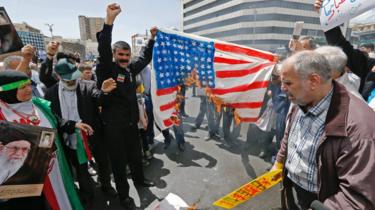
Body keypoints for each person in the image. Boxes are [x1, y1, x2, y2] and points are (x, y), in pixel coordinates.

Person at [271, 51, 375, 210]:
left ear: (313, 81)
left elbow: (357, 196)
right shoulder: (300, 99)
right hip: (294, 188)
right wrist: (279, 162)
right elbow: (288, 136)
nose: (282, 88)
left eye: (288, 83)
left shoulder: (359, 129)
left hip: (323, 201)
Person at [95, 3, 157, 209]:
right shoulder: (106, 68)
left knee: (136, 157)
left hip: (131, 125)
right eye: (120, 55)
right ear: (114, 55)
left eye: (126, 55)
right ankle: (123, 196)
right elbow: (103, 48)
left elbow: (145, 58)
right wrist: (109, 21)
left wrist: (152, 39)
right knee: (119, 165)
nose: (124, 59)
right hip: (113, 128)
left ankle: (140, 180)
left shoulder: (130, 69)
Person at [0, 70, 90, 210]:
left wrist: (73, 124)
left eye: (29, 85)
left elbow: (57, 121)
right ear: (9, 91)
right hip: (25, 179)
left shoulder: (39, 104)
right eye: (22, 87)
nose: (29, 89)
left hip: (55, 168)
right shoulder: (2, 113)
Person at [44, 58, 118, 202]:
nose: (73, 82)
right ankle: (87, 195)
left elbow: (98, 98)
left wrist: (104, 93)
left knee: (103, 162)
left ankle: (106, 186)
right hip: (71, 136)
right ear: (59, 77)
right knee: (81, 167)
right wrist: (72, 125)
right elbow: (54, 117)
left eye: (74, 78)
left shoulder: (88, 85)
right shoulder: (51, 93)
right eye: (69, 80)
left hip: (93, 134)